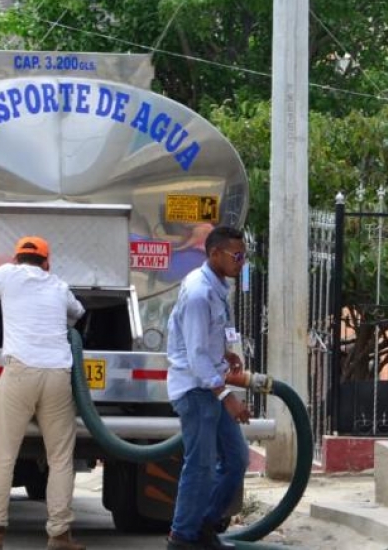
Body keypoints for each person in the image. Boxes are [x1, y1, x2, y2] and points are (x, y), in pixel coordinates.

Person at [0, 236, 86, 550]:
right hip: (57, 374)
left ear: (15, 258)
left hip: (20, 371)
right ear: (46, 262)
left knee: (4, 455)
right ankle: (60, 534)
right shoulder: (58, 284)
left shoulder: (5, 275)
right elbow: (78, 312)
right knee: (61, 458)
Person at [165, 225, 251, 550]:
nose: (241, 262)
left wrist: (225, 352)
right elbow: (196, 355)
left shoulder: (216, 286)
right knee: (199, 466)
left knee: (236, 460)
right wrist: (227, 396)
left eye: (244, 255)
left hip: (209, 386)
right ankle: (181, 536)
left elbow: (204, 344)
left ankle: (203, 524)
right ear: (215, 253)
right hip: (196, 390)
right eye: (237, 255)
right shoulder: (200, 293)